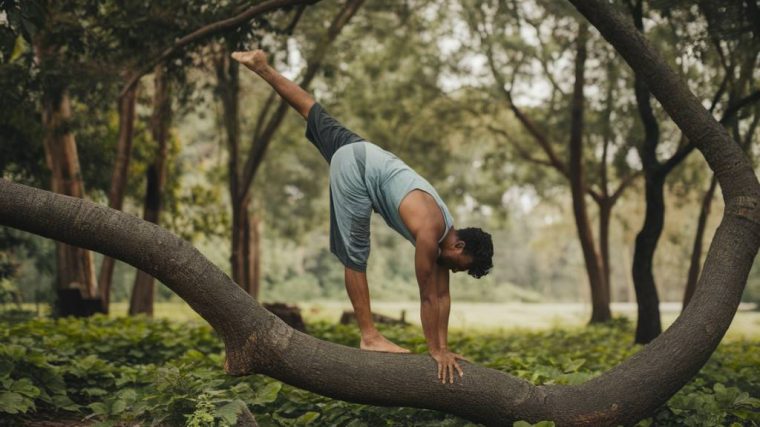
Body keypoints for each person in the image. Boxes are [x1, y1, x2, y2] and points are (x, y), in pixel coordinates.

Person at [231, 50, 493, 384]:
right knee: (355, 256)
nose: (454, 271)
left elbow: (443, 296)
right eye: (459, 266)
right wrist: (434, 352)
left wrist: (445, 347)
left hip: (363, 151)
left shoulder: (446, 228)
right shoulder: (430, 232)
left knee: (310, 109)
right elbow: (428, 294)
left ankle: (261, 67)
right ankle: (369, 336)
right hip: (356, 171)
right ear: (457, 247)